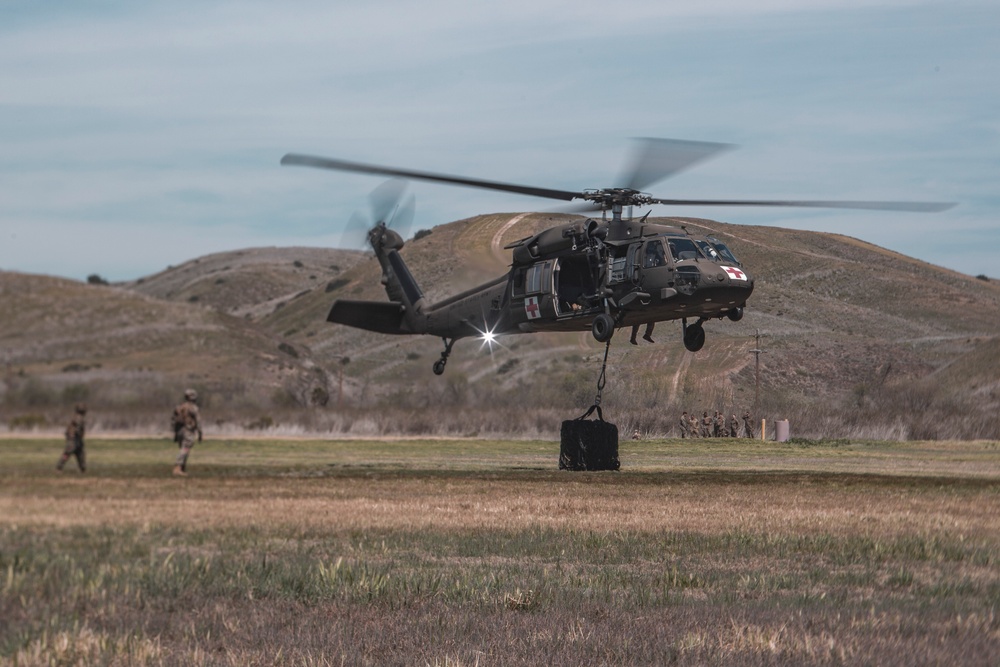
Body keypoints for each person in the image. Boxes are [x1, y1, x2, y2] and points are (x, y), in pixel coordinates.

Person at [172, 389, 202, 476]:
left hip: (179, 431)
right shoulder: (193, 408)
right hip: (188, 430)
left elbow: (173, 421)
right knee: (185, 449)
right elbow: (198, 421)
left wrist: (175, 433)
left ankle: (182, 468)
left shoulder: (179, 407)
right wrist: (200, 433)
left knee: (184, 448)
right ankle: (177, 468)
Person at [56, 403, 87, 472]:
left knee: (80, 454)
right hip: (73, 439)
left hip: (76, 439)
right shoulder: (78, 418)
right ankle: (59, 467)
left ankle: (83, 469)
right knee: (68, 453)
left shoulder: (76, 417)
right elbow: (77, 429)